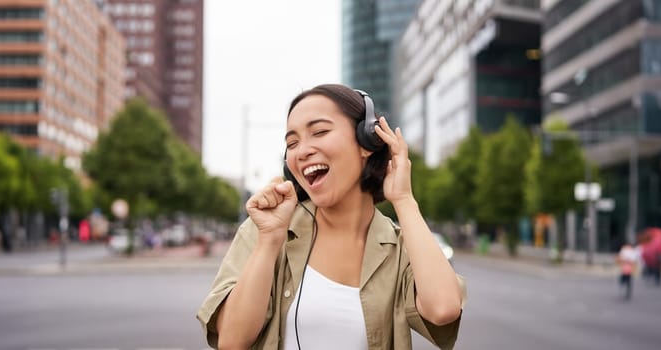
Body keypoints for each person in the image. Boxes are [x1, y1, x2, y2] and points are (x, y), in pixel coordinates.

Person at [197, 84, 465, 350]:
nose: (302, 151)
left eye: (320, 132)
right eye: (292, 142)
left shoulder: (400, 250)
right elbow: (231, 341)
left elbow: (443, 309)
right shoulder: (264, 229)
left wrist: (404, 200)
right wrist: (269, 241)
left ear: (366, 142)